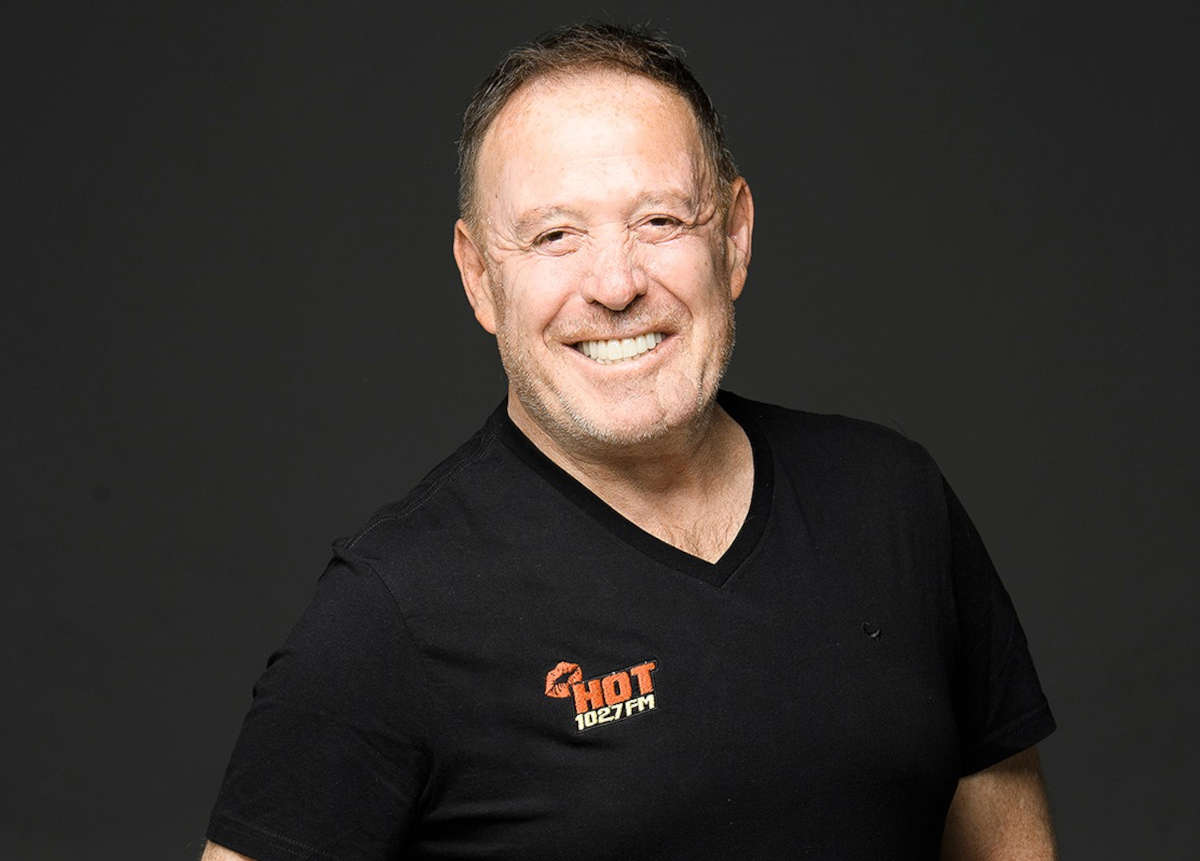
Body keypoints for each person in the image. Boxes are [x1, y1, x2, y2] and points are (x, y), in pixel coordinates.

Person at [203, 22, 1057, 860]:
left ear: (734, 236)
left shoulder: (893, 504)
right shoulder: (393, 609)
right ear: (479, 276)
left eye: (659, 220)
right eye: (554, 235)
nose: (615, 285)